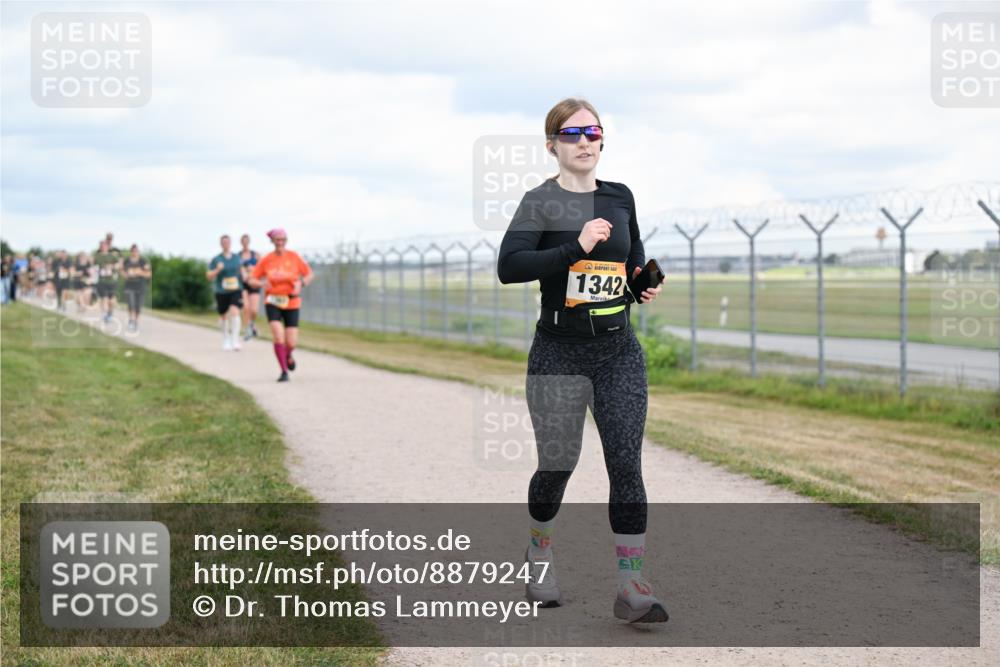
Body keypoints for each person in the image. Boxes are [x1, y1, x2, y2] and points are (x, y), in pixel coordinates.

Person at [497, 98, 665, 623]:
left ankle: (631, 584)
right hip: (558, 353)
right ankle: (539, 553)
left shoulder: (620, 196)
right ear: (552, 145)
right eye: (572, 134)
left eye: (593, 132)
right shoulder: (539, 202)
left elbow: (630, 254)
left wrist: (639, 283)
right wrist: (574, 246)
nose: (585, 141)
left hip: (617, 351)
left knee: (625, 463)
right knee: (557, 466)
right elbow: (510, 265)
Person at [248, 228, 313, 382]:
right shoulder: (266, 260)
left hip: (292, 301)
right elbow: (251, 279)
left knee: (291, 342)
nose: (280, 242)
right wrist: (262, 283)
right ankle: (284, 371)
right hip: (273, 301)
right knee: (278, 336)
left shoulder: (294, 257)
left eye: (283, 239)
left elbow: (309, 274)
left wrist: (301, 283)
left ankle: (287, 354)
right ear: (272, 241)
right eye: (278, 239)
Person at [206, 234, 244, 351]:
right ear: (221, 244)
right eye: (224, 242)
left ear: (230, 243)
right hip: (221, 291)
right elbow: (209, 276)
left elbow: (242, 271)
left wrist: (246, 276)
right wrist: (217, 270)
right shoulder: (216, 259)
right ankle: (226, 338)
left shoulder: (237, 257)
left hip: (236, 289)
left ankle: (235, 339)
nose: (226, 244)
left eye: (228, 242)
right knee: (223, 316)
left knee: (234, 311)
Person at [122, 245, 152, 332]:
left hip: (140, 286)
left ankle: (136, 322)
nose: (134, 252)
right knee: (131, 304)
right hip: (129, 286)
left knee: (138, 306)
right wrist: (125, 275)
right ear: (130, 251)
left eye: (136, 251)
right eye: (133, 251)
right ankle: (131, 320)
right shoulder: (126, 261)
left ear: (138, 251)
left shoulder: (143, 261)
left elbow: (149, 274)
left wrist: (139, 272)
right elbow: (121, 270)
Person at [239, 234, 261, 340]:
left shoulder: (255, 254)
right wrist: (243, 273)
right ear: (241, 242)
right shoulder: (238, 256)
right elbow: (238, 269)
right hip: (243, 284)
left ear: (249, 242)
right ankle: (247, 329)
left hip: (254, 283)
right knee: (246, 307)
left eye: (247, 241)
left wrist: (253, 269)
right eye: (243, 241)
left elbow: (262, 267)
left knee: (254, 310)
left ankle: (252, 325)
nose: (245, 243)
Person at [94, 240, 121, 322]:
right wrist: (97, 270)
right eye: (101, 246)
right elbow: (93, 266)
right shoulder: (97, 256)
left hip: (111, 281)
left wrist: (111, 267)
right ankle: (105, 314)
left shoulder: (112, 256)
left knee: (111, 300)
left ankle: (110, 313)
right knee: (104, 298)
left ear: (107, 247)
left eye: (105, 246)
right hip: (102, 281)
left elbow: (118, 264)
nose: (103, 247)